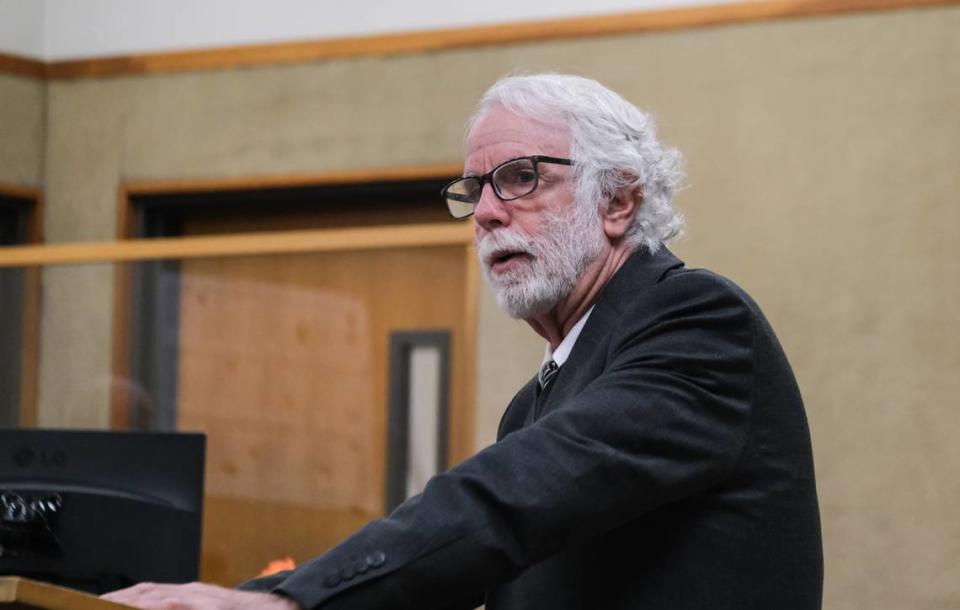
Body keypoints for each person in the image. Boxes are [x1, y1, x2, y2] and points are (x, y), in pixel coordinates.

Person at [104, 73, 823, 610]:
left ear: (619, 199)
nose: (484, 213)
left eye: (519, 178)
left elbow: (507, 500)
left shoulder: (698, 322)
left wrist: (291, 602)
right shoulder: (536, 399)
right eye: (474, 189)